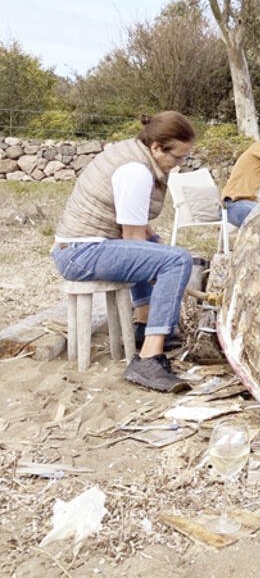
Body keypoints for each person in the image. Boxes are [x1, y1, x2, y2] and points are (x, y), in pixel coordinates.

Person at [53, 111, 197, 393]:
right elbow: (133, 239)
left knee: (161, 253)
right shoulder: (136, 171)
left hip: (81, 247)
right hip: (80, 253)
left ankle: (144, 326)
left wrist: (158, 245)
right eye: (178, 157)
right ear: (157, 148)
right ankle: (149, 358)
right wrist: (167, 273)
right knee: (177, 260)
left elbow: (136, 226)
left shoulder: (134, 153)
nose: (180, 164)